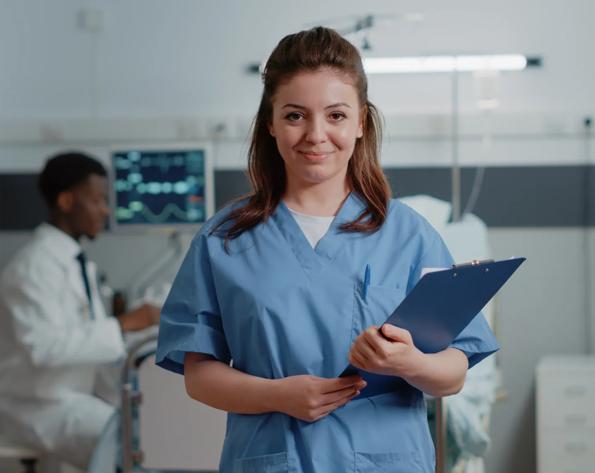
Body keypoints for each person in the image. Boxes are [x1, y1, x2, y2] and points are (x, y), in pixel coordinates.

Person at [156, 27, 499, 473]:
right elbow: (198, 374)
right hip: (272, 459)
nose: (316, 135)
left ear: (360, 123)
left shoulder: (408, 234)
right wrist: (278, 396)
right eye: (296, 115)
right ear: (271, 123)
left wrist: (409, 362)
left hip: (386, 460)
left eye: (336, 115)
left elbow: (453, 371)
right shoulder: (225, 238)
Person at [0, 152, 160, 471]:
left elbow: (90, 335)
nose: (105, 210)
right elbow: (44, 348)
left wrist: (139, 332)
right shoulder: (32, 268)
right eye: (98, 200)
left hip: (73, 396)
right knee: (133, 443)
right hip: (36, 406)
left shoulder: (78, 264)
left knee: (152, 427)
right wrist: (124, 323)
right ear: (66, 201)